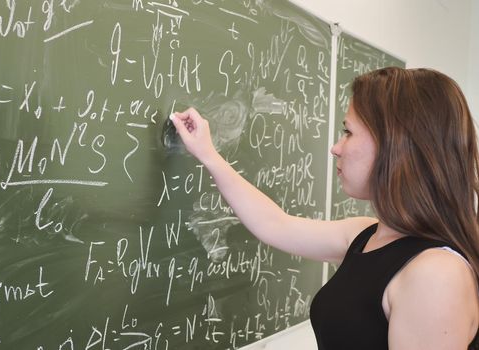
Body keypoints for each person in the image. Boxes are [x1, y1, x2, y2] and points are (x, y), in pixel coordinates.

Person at [170, 67, 479, 349]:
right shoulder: (368, 234)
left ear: (395, 144)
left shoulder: (436, 275)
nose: (336, 147)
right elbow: (275, 224)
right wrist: (208, 154)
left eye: (348, 132)